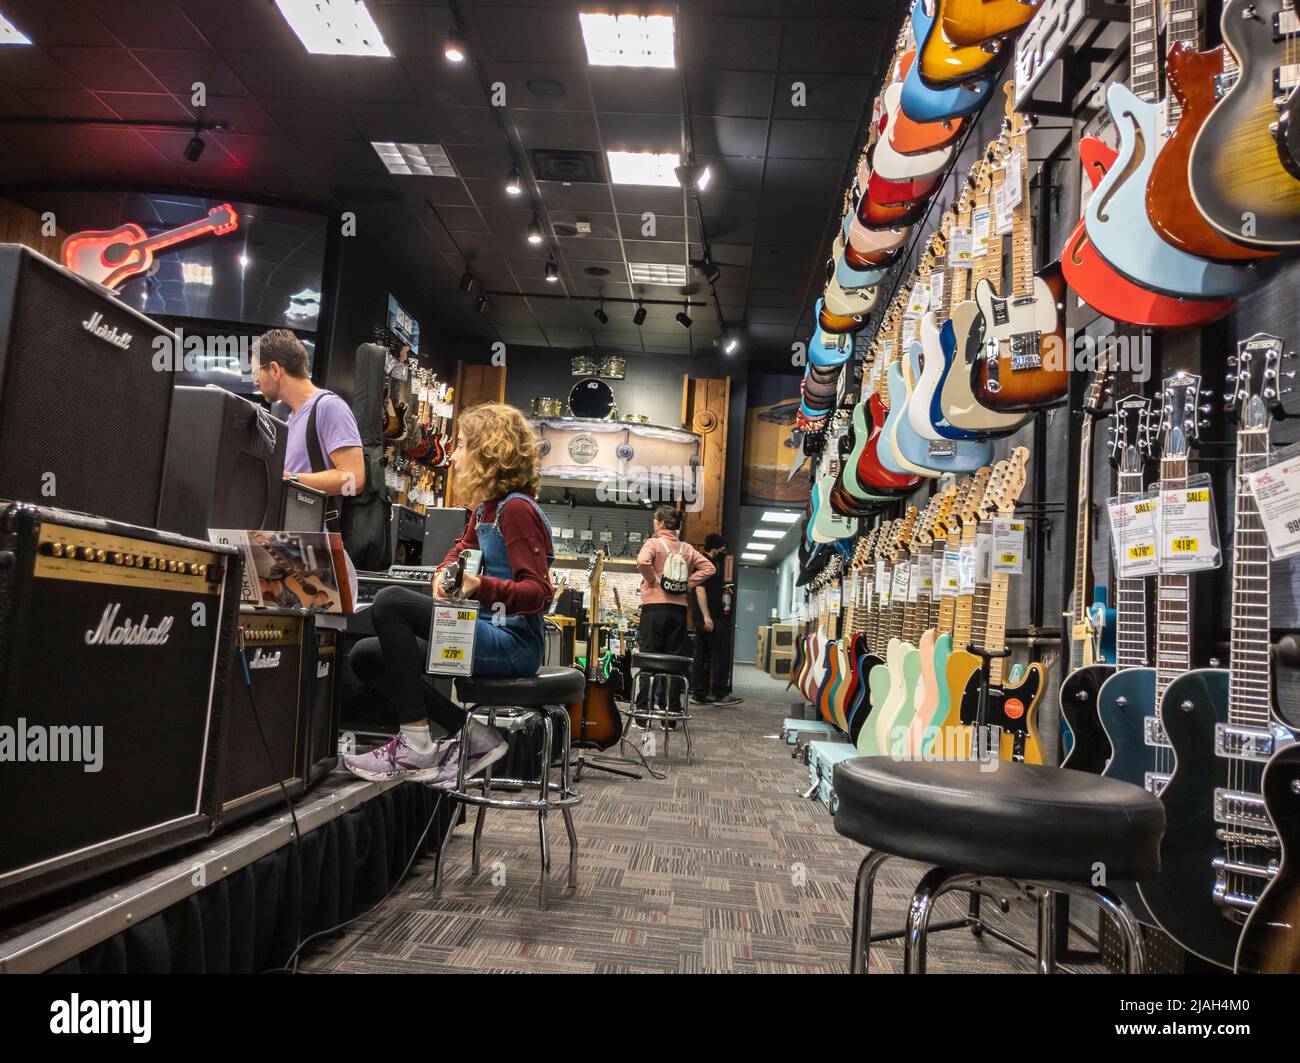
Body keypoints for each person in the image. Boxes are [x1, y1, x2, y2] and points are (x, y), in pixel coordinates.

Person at [342, 403, 554, 784]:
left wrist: (480, 587)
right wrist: (443, 574)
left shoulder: (516, 510)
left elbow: (539, 593)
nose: (454, 455)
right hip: (484, 632)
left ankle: (416, 743)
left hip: (513, 642)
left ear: (488, 449)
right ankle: (472, 734)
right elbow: (459, 549)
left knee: (390, 603)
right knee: (367, 656)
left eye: (461, 445)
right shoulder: (486, 509)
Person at [252, 328, 365, 514]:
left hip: (314, 540)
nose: (255, 382)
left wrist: (288, 480)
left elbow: (355, 481)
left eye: (256, 373)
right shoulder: (291, 420)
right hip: (289, 536)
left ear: (274, 370)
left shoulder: (329, 407)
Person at [633, 505, 714, 722]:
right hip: (678, 611)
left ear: (660, 523)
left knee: (648, 661)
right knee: (674, 662)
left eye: (655, 520)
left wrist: (652, 580)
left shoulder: (653, 543)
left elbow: (642, 561)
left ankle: (642, 714)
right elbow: (709, 568)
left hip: (653, 610)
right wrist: (688, 584)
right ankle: (671, 715)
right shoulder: (686, 548)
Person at [690, 533, 742, 706]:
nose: (724, 552)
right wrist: (707, 617)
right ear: (715, 548)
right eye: (722, 549)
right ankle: (720, 694)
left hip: (704, 618)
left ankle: (699, 694)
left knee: (701, 655)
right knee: (719, 654)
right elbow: (699, 590)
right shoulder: (705, 565)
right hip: (708, 618)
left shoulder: (705, 564)